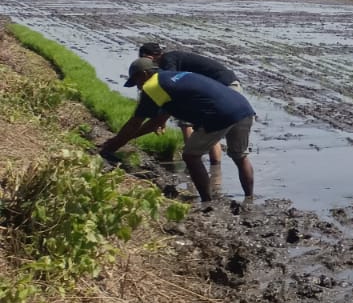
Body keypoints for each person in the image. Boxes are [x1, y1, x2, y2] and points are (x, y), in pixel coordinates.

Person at [100, 59, 256, 203]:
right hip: (243, 107)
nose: (139, 88)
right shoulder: (172, 77)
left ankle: (207, 202)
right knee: (240, 156)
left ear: (144, 74)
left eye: (137, 82)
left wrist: (111, 146)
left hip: (220, 114)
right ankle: (250, 199)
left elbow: (135, 123)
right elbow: (157, 121)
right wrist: (126, 139)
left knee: (191, 156)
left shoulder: (152, 87)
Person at [128, 42, 244, 165]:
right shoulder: (172, 58)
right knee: (210, 127)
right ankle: (215, 170)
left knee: (188, 123)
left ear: (149, 57)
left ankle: (194, 163)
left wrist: (161, 119)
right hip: (229, 87)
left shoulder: (167, 61)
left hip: (224, 89)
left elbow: (170, 90)